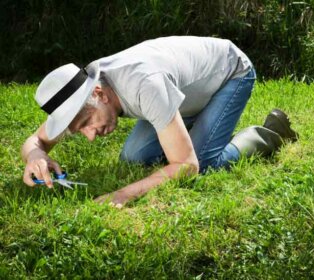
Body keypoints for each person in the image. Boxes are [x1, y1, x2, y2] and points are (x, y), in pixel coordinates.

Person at [21, 36, 298, 207]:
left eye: (87, 123)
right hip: (183, 93)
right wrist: (36, 156)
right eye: (80, 130)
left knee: (203, 162)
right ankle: (193, 129)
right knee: (133, 157)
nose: (91, 135)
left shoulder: (144, 85)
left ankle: (271, 133)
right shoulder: (80, 91)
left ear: (99, 94)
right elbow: (35, 140)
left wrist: (124, 194)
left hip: (229, 74)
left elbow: (186, 166)